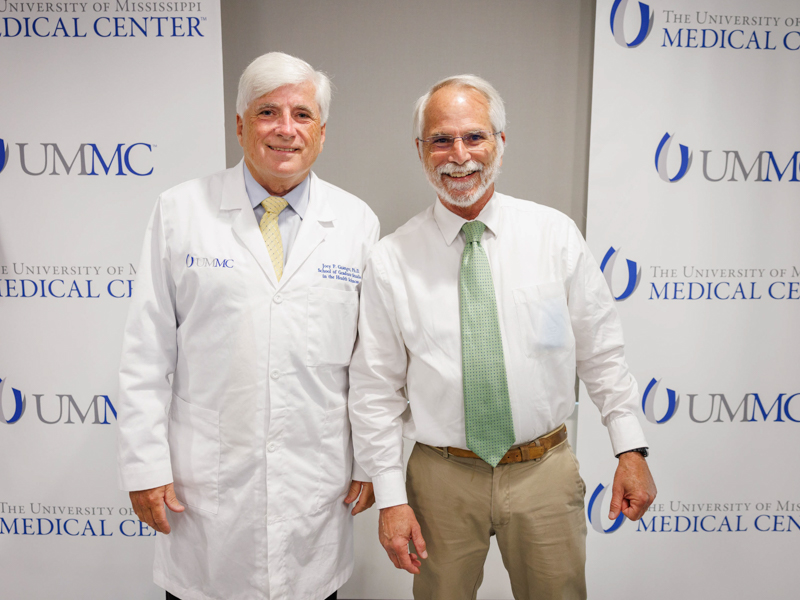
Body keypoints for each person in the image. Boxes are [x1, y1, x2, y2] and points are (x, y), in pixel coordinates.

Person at [348, 74, 656, 600]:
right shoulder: (391, 260)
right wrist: (394, 499)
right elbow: (375, 389)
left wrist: (631, 449)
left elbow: (601, 352)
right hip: (440, 478)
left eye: (475, 136)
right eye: (441, 139)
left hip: (545, 471)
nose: (459, 154)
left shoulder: (554, 236)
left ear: (501, 143)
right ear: (421, 151)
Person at [117, 52, 379, 600]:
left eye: (302, 115)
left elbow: (369, 362)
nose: (286, 129)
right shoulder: (180, 211)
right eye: (267, 112)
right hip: (207, 492)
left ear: (322, 132)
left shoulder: (356, 222)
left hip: (316, 484)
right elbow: (147, 351)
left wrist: (372, 460)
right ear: (240, 125)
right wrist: (144, 466)